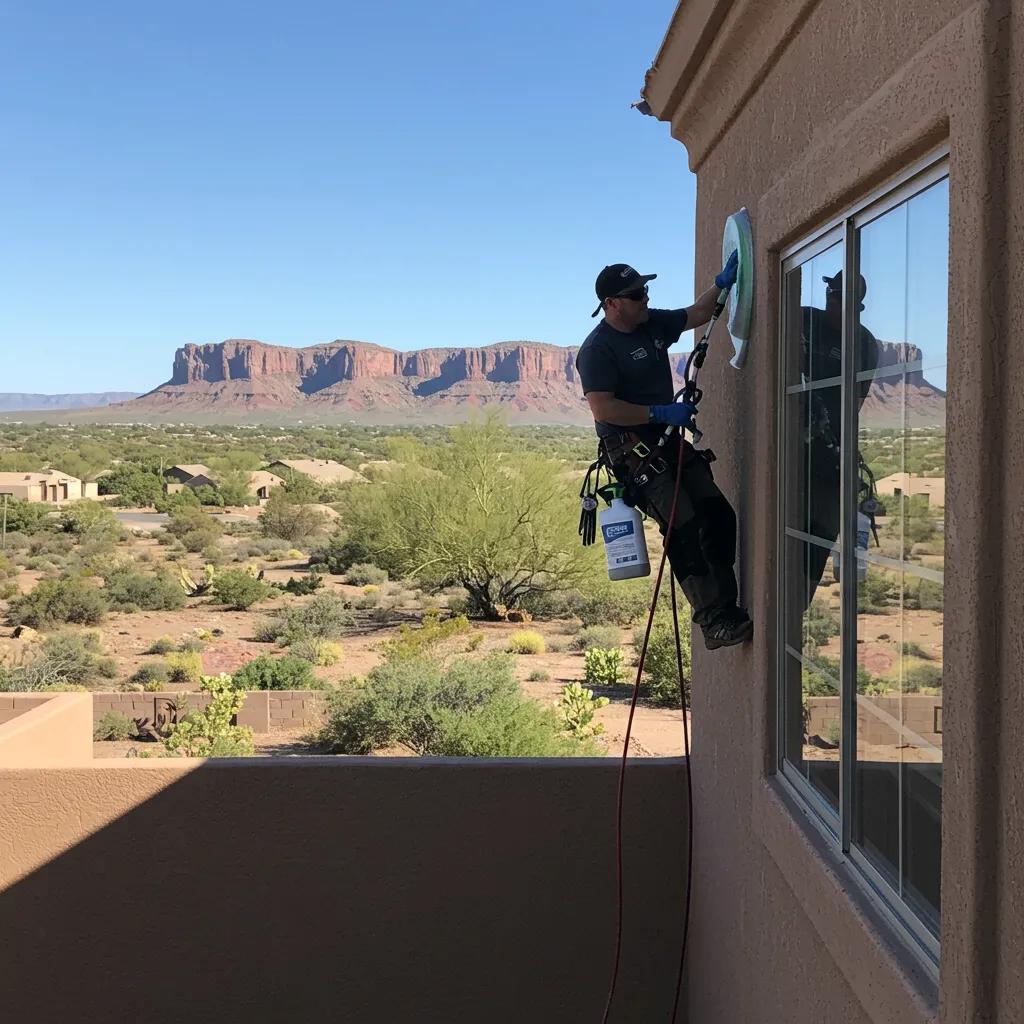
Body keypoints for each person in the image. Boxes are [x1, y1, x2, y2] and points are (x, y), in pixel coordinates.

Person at [575, 260, 753, 650]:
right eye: (637, 294)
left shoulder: (651, 323)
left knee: (718, 516)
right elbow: (604, 409)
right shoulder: (597, 350)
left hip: (668, 441)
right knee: (684, 528)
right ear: (611, 304)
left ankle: (727, 606)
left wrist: (721, 283)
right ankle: (713, 621)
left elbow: (697, 314)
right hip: (636, 454)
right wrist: (659, 412)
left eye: (645, 290)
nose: (646, 298)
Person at [796, 270, 879, 609]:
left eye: (838, 295)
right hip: (792, 450)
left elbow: (854, 405)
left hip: (830, 456)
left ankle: (796, 606)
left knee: (820, 534)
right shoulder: (802, 320)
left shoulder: (863, 343)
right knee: (788, 531)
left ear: (855, 305)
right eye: (829, 292)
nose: (830, 298)